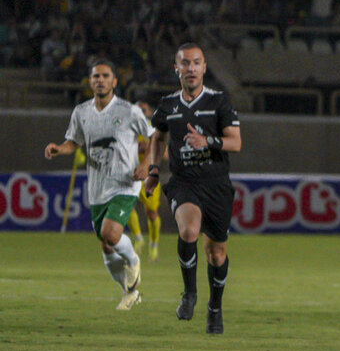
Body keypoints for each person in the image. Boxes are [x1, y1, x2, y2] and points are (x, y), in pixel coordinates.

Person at [142, 43, 242, 334]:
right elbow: (157, 137)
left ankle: (215, 307)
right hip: (184, 182)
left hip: (217, 185)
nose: (191, 68)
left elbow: (235, 142)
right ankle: (189, 294)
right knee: (188, 231)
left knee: (216, 254)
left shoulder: (219, 101)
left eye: (196, 62)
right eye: (185, 63)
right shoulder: (167, 105)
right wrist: (153, 170)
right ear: (177, 68)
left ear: (204, 67)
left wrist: (207, 141)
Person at [43, 58, 152, 310]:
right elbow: (73, 142)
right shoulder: (81, 112)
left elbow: (155, 136)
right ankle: (129, 292)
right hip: (97, 188)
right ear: (90, 82)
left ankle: (133, 260)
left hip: (125, 183)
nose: (100, 80)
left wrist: (146, 164)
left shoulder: (129, 111)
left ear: (114, 82)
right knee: (106, 244)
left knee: (110, 234)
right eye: (95, 76)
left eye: (105, 76)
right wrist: (59, 148)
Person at [126, 100, 163, 262]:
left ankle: (153, 245)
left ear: (149, 112)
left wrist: (148, 149)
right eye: (138, 109)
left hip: (149, 177)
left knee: (152, 213)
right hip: (131, 174)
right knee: (127, 206)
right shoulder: (127, 129)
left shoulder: (154, 130)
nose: (141, 112)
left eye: (144, 109)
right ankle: (138, 238)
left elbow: (164, 154)